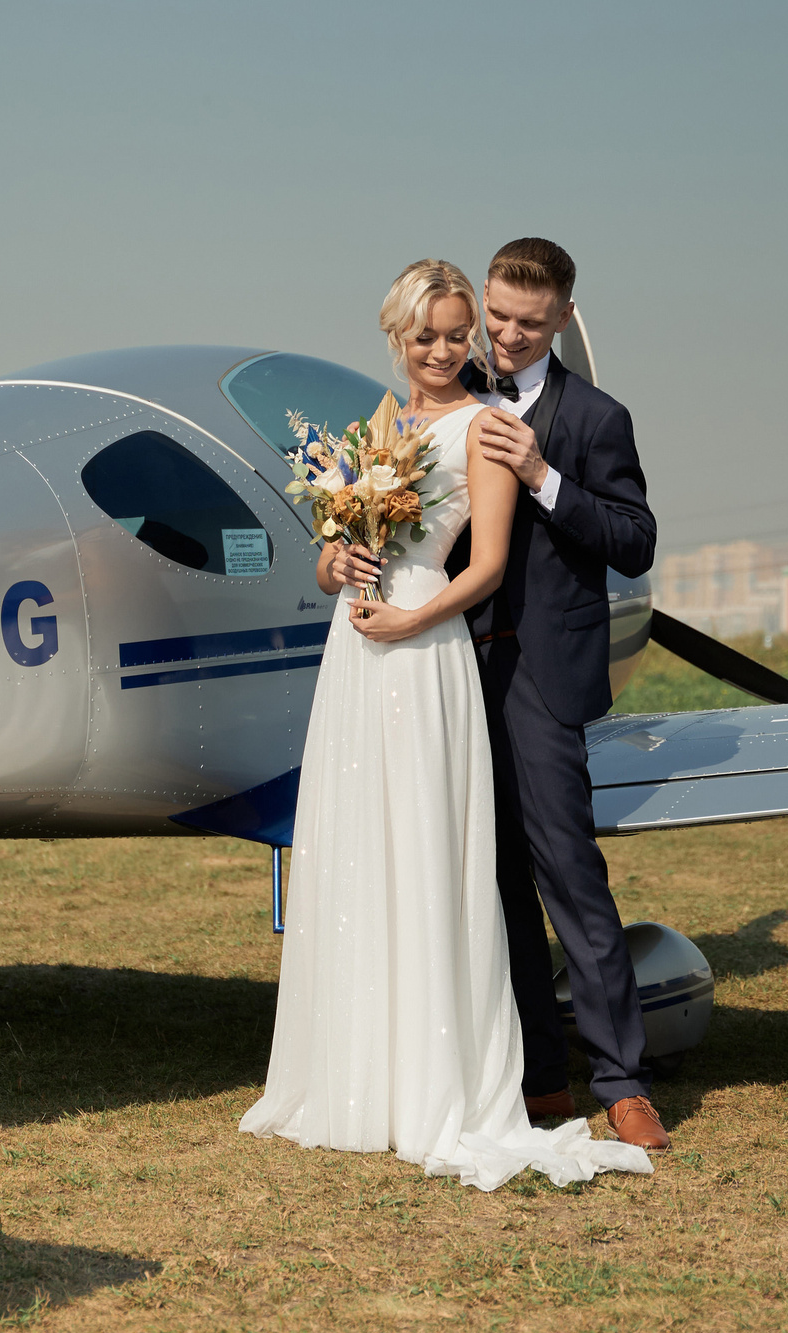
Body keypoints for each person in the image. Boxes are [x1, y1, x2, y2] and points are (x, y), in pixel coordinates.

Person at [239, 260, 652, 1190]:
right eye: (430, 334)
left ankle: (592, 1076)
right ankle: (378, 1073)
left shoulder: (502, 425)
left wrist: (418, 616)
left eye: (462, 331)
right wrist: (336, 562)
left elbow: (500, 562)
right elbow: (337, 550)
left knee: (484, 855)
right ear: (396, 335)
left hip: (445, 648)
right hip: (360, 654)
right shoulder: (378, 426)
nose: (452, 347)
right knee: (371, 848)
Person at [450, 238, 668, 1150]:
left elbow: (635, 538)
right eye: (496, 314)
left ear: (563, 321)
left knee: (568, 876)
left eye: (528, 324)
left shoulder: (596, 417)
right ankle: (537, 1077)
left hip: (543, 675)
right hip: (450, 669)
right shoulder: (442, 390)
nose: (504, 335)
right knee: (490, 881)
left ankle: (621, 1080)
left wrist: (543, 475)